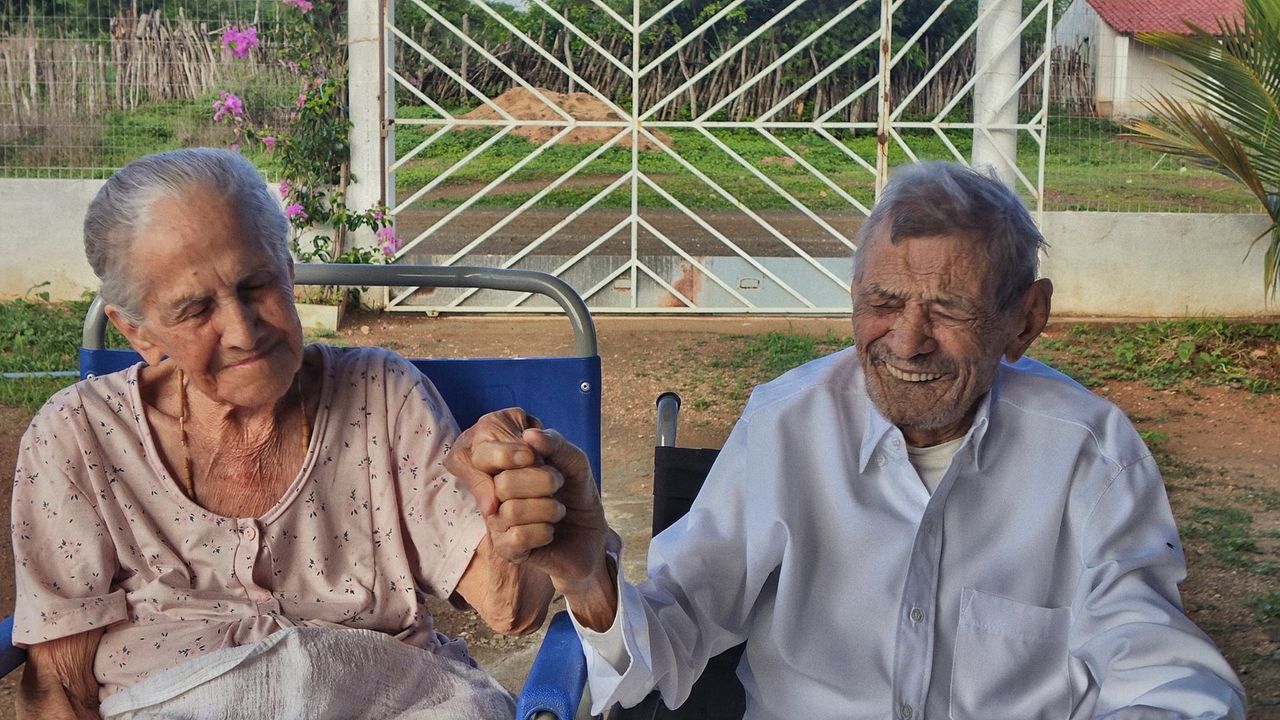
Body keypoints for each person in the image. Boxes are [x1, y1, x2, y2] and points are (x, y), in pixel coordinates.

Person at [451, 162, 1248, 719]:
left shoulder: (1088, 453)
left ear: (1024, 320)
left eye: (948, 308)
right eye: (883, 301)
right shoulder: (788, 425)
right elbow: (673, 636)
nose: (906, 340)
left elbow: (1158, 667)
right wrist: (588, 576)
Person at [10, 148, 554, 719]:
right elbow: (59, 685)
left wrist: (514, 498)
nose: (243, 332)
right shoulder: (78, 436)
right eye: (195, 310)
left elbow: (509, 605)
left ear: (288, 270)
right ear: (138, 332)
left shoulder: (382, 393)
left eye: (257, 284)